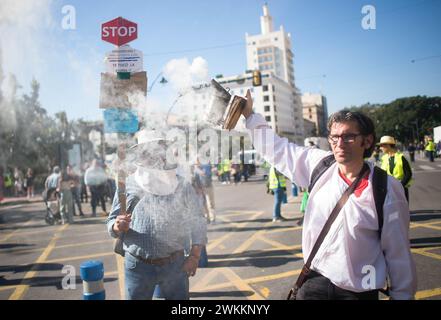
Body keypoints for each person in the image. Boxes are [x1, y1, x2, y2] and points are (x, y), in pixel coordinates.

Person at [241, 90, 416, 300]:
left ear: (367, 141)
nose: (340, 144)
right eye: (334, 137)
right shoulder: (320, 165)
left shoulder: (386, 188)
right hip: (313, 283)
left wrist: (402, 296)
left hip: (357, 292)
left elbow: (398, 254)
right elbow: (278, 149)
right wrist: (250, 115)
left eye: (349, 137)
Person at [106, 130, 207, 300]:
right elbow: (111, 221)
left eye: (159, 149)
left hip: (175, 264)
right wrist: (116, 226)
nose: (155, 156)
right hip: (137, 266)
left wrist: (195, 256)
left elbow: (198, 221)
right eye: (148, 151)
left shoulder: (182, 185)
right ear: (140, 154)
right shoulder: (128, 184)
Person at [379, 136, 413, 203]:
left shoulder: (401, 157)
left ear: (388, 145)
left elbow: (408, 174)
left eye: (382, 146)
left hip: (401, 188)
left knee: (402, 210)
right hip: (388, 189)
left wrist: (399, 186)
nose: (380, 148)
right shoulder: (384, 158)